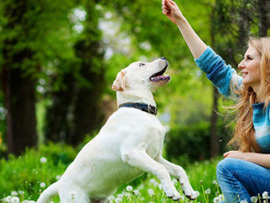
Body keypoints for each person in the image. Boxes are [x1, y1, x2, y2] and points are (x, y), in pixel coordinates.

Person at [161, 0, 270, 202]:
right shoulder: (249, 95)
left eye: (249, 58)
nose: (240, 64)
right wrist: (180, 21)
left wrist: (245, 157)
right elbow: (215, 68)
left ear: (266, 65)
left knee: (228, 168)